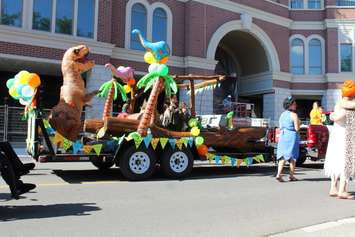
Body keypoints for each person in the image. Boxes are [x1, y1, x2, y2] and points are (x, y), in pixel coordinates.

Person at [276, 96, 300, 182]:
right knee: (292, 157)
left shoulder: (282, 114)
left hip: (283, 135)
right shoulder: (294, 115)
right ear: (290, 105)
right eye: (294, 104)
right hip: (291, 136)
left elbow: (280, 126)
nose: (296, 105)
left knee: (282, 156)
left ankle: (279, 174)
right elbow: (297, 128)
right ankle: (291, 176)